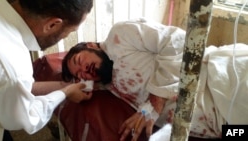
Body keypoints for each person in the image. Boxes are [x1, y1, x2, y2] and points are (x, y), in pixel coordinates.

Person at [61, 18, 248, 141]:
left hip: (222, 81)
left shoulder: (120, 35)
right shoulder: (108, 85)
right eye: (80, 74)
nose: (84, 70)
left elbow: (178, 41)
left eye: (79, 61)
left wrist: (155, 102)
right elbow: (66, 87)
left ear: (91, 45)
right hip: (217, 125)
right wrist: (70, 89)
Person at [0, 0, 93, 140]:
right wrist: (65, 92)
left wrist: (66, 87)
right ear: (52, 24)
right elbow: (26, 118)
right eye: (70, 32)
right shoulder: (15, 68)